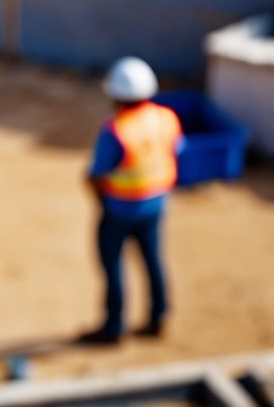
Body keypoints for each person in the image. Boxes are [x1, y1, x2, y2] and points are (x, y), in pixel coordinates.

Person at [80, 56, 183, 345]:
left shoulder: (115, 130)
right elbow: (177, 150)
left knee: (113, 266)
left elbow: (97, 174)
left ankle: (114, 327)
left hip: (118, 209)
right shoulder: (166, 117)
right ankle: (158, 317)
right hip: (156, 204)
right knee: (153, 260)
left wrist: (100, 198)